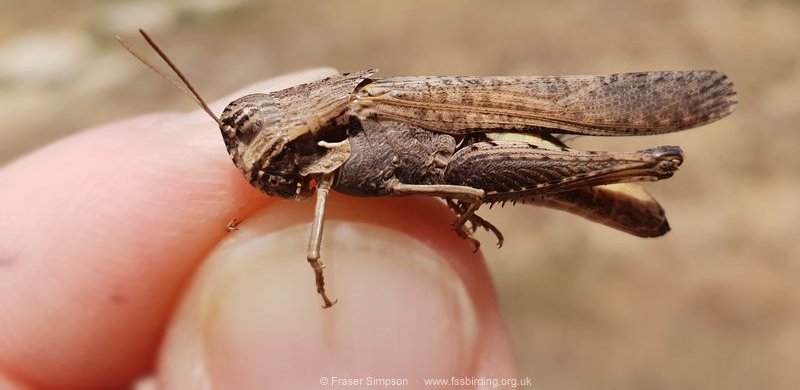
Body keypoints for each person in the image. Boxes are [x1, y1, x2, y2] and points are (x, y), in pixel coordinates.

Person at [0, 70, 517, 389]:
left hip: (467, 150)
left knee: (560, 188)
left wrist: (464, 210)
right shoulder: (323, 156)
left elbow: (457, 187)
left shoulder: (352, 130)